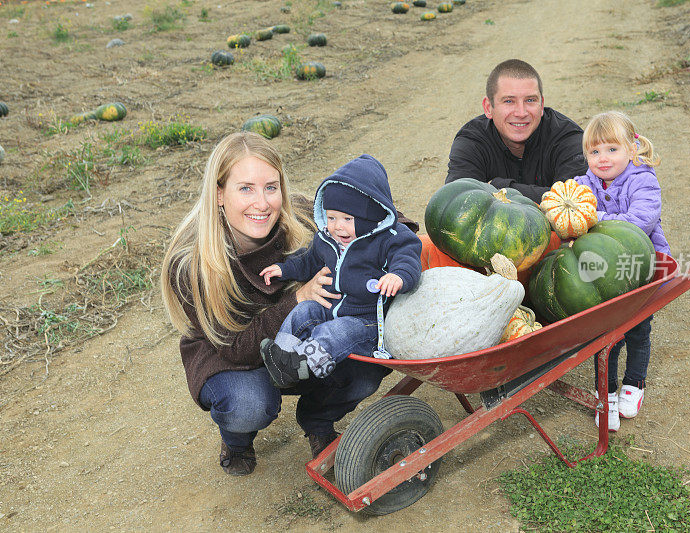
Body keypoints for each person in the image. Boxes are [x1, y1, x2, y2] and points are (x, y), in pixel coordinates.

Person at [160, 132, 393, 476]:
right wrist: (299, 298)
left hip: (294, 344)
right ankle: (236, 440)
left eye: (271, 187)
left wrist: (399, 242)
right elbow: (235, 348)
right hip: (231, 355)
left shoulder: (300, 214)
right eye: (246, 188)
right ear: (219, 193)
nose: (263, 202)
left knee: (369, 357)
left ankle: (319, 418)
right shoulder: (192, 265)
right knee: (251, 404)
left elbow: (371, 221)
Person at [259, 154, 422, 389]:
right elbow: (308, 261)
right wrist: (284, 269)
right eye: (332, 217)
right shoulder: (327, 238)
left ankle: (304, 364)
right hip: (333, 307)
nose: (337, 226)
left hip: (368, 323)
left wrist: (398, 276)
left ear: (371, 216)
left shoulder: (390, 239)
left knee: (334, 331)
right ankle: (282, 359)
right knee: (303, 310)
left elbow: (407, 259)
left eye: (347, 218)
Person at [572, 110, 670, 432]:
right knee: (605, 335)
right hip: (602, 274)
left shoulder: (643, 180)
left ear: (632, 148)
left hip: (641, 267)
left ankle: (634, 383)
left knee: (638, 330)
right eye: (594, 151)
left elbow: (642, 221)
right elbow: (567, 205)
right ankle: (607, 393)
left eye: (612, 149)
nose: (602, 158)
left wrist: (592, 217)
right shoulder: (583, 184)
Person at [445, 58, 588, 203]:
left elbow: (574, 203)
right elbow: (456, 200)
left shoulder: (568, 139)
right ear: (488, 107)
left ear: (542, 104)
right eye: (509, 101)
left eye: (530, 100)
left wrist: (498, 188)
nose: (521, 113)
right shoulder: (472, 141)